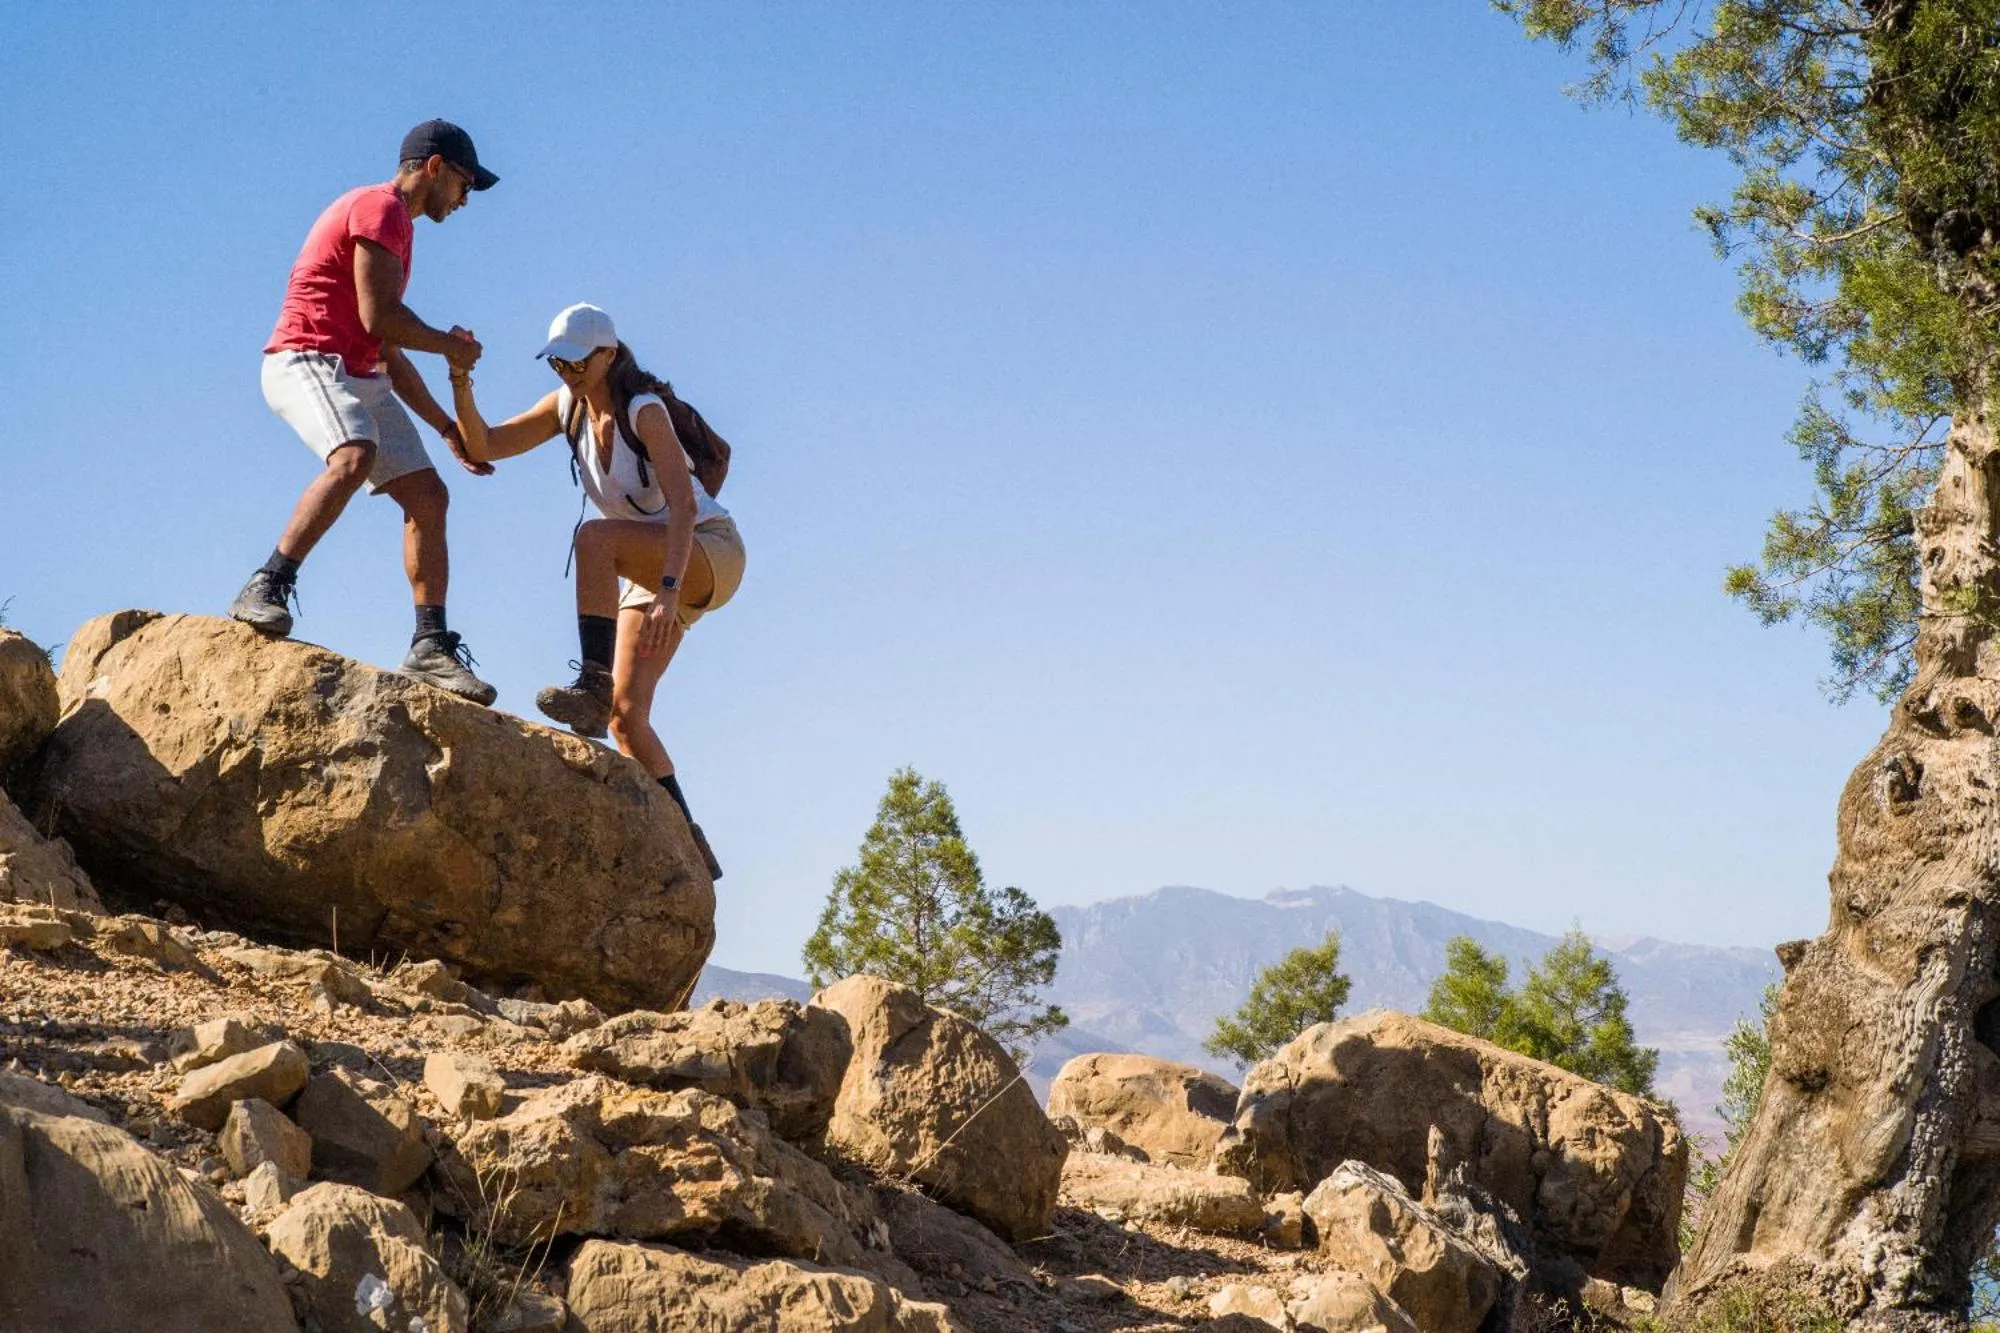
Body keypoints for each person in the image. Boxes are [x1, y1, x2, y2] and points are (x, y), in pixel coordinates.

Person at [449, 303, 744, 879]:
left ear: (608, 355)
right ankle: (690, 852)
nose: (566, 370)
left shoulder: (645, 410)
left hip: (705, 550)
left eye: (578, 360)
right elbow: (483, 444)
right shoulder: (567, 408)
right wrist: (461, 379)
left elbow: (684, 507)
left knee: (594, 539)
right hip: (651, 562)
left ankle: (589, 682)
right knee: (626, 717)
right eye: (557, 361)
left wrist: (665, 591)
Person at [231, 119, 501, 704]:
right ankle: (266, 585)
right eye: (465, 184)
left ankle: (429, 645)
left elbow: (387, 349)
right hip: (307, 360)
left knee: (427, 495)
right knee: (355, 454)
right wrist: (452, 347)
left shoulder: (399, 229)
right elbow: (381, 320)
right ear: (434, 168)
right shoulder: (380, 210)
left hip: (356, 371)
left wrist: (446, 428)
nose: (465, 198)